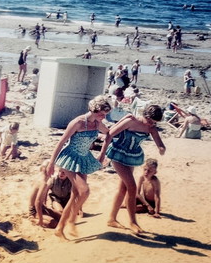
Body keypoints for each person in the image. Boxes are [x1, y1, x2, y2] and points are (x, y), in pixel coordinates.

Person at [45, 95, 112, 238]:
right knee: (85, 191)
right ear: (94, 109)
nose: (103, 116)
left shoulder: (98, 123)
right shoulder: (78, 122)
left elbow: (109, 134)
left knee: (76, 194)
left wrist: (102, 154)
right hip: (70, 157)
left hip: (84, 158)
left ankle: (60, 229)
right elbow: (61, 141)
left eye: (105, 114)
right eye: (101, 113)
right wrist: (51, 163)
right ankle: (72, 220)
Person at [99, 104, 166, 235]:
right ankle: (133, 222)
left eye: (155, 123)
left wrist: (161, 149)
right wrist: (102, 155)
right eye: (151, 121)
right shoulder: (131, 121)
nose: (152, 124)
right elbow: (109, 135)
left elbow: (160, 143)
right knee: (132, 187)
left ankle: (111, 219)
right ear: (145, 116)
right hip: (118, 153)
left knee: (123, 188)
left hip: (132, 156)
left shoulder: (151, 128)